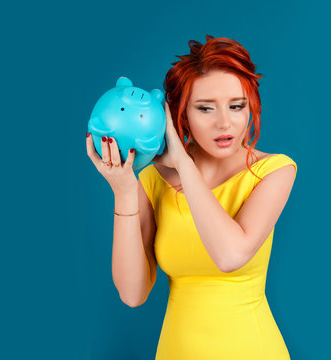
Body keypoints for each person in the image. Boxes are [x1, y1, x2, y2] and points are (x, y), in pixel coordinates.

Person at [86, 35, 297, 359]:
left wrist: (183, 163)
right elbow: (132, 293)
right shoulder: (155, 180)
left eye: (237, 106)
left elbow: (229, 257)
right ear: (180, 113)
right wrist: (125, 189)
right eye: (205, 108)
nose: (224, 122)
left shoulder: (274, 171)